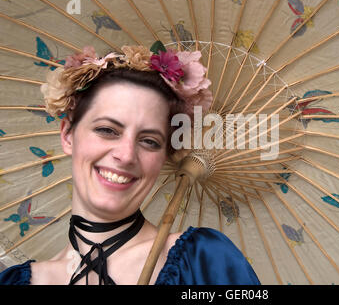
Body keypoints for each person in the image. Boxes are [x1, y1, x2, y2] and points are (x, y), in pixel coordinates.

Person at [0, 44, 260, 285]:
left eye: (149, 141)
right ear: (68, 134)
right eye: (107, 130)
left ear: (164, 157)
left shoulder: (204, 262)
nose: (126, 155)